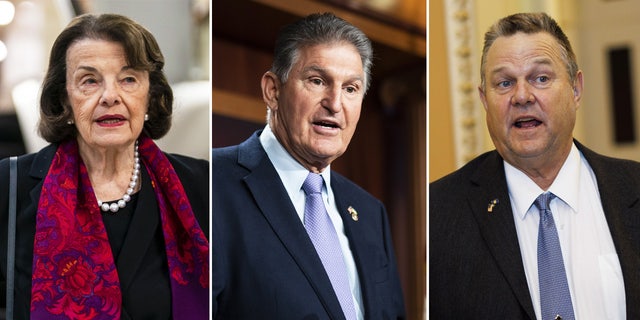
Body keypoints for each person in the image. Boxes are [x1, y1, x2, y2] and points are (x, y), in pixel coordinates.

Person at [430, 12, 640, 319]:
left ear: (576, 89)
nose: (522, 96)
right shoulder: (439, 213)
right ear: (485, 100)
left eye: (540, 78)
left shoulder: (633, 187)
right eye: (504, 83)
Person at [0, 13, 209, 319]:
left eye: (128, 79)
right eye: (89, 80)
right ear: (65, 101)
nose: (110, 96)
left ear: (150, 97)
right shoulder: (10, 185)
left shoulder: (202, 185)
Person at [212, 12, 406, 319]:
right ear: (273, 91)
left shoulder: (369, 212)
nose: (335, 103)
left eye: (351, 88)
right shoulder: (212, 184)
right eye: (317, 81)